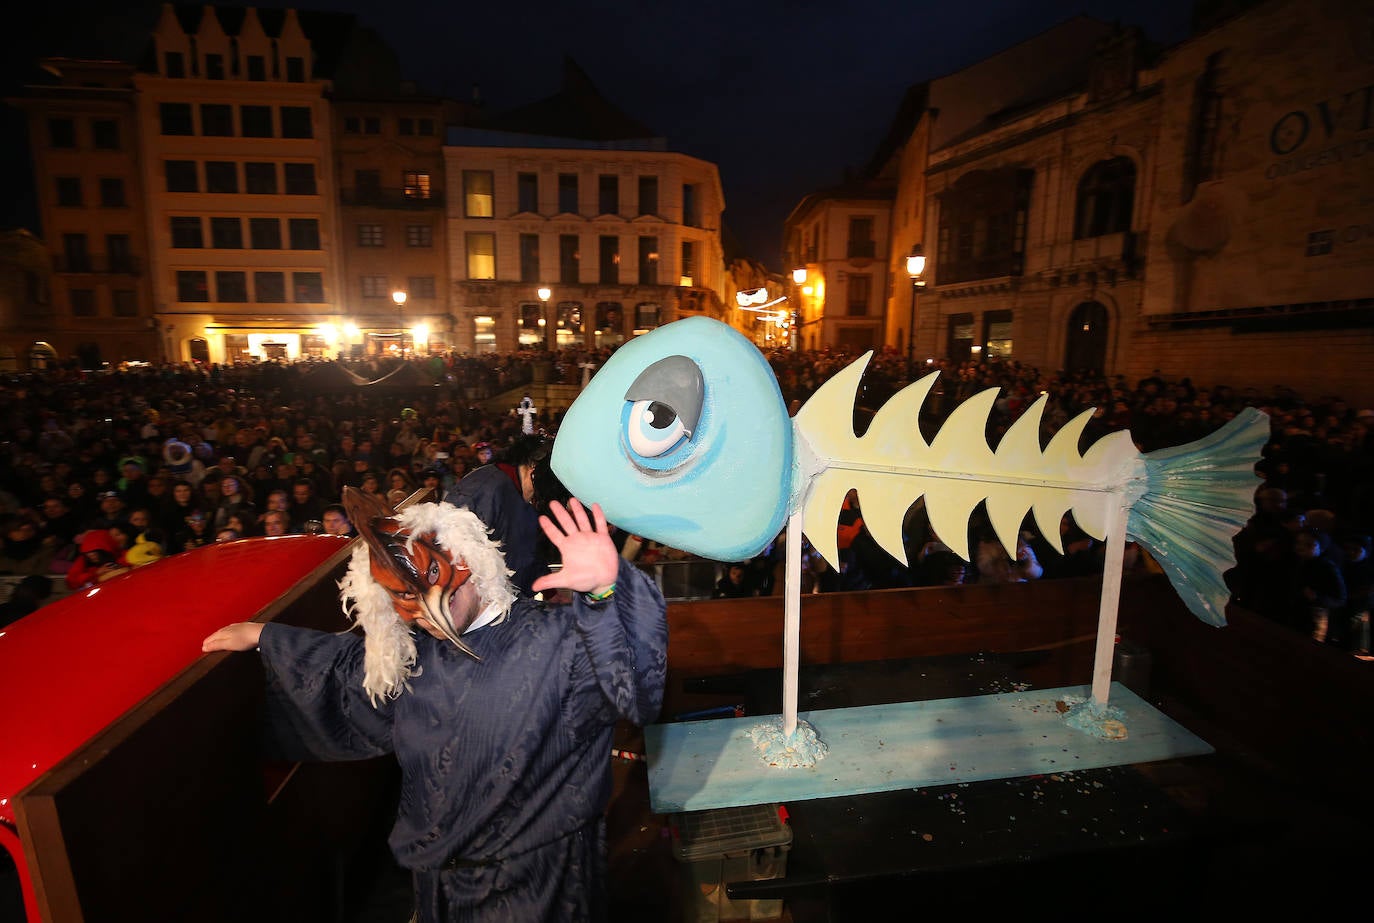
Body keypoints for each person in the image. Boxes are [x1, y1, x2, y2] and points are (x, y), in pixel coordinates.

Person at [202, 495, 666, 923]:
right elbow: (351, 672)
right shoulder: (417, 656)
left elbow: (636, 688)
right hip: (437, 888)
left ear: (465, 560)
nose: (422, 610)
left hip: (537, 890)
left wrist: (608, 593)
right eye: (400, 597)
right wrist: (266, 638)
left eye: (424, 585)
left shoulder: (559, 642)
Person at [444, 440, 544, 597]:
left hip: (516, 599)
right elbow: (453, 550)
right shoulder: (483, 488)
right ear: (533, 467)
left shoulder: (527, 496)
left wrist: (549, 589)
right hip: (483, 604)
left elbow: (527, 551)